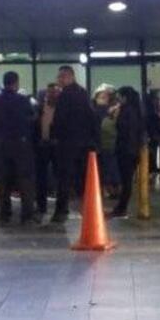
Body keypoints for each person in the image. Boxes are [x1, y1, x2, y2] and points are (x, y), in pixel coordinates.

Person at [51, 65, 96, 224]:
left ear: (70, 76)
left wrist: (54, 136)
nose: (59, 80)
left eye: (61, 77)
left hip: (67, 143)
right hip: (82, 143)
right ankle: (88, 209)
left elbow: (59, 120)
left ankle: (61, 210)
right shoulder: (83, 93)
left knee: (64, 177)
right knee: (81, 177)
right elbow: (91, 116)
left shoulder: (65, 96)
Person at [0, 71, 38, 224]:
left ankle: (5, 214)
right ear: (16, 83)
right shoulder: (22, 99)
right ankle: (27, 215)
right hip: (21, 144)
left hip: (4, 144)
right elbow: (31, 118)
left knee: (4, 181)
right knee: (25, 180)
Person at [111, 86, 145, 219]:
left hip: (126, 150)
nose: (117, 98)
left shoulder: (127, 111)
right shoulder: (134, 110)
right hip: (130, 149)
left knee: (126, 181)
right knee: (126, 180)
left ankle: (122, 207)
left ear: (125, 97)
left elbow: (127, 131)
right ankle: (121, 206)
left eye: (119, 96)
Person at [34, 83, 60, 215]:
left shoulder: (62, 109)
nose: (51, 95)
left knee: (60, 176)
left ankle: (61, 207)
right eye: (49, 92)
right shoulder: (39, 109)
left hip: (57, 146)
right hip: (42, 145)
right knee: (41, 177)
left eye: (54, 92)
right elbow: (34, 126)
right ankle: (41, 206)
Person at [144, 90, 160, 174]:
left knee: (151, 151)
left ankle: (152, 167)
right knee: (153, 151)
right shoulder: (152, 112)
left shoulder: (146, 110)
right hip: (153, 133)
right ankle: (153, 167)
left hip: (150, 133)